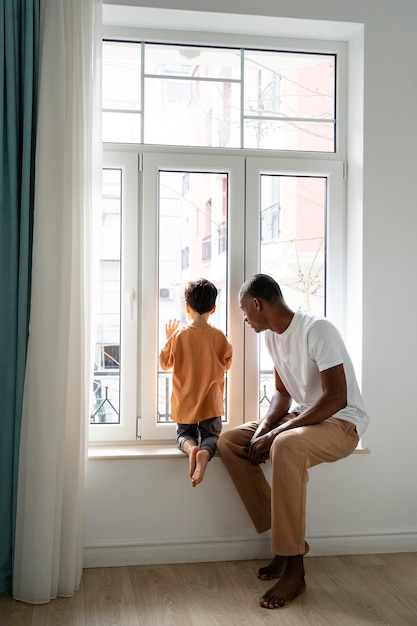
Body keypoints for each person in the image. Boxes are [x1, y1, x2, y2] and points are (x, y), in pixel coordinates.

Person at [217, 274, 369, 609]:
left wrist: (276, 434)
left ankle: (294, 568)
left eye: (244, 310)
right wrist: (265, 427)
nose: (244, 318)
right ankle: (287, 543)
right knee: (229, 442)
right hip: (302, 417)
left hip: (341, 423)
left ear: (258, 304)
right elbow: (282, 394)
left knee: (285, 445)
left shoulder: (318, 330)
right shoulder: (272, 337)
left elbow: (336, 398)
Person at [160, 278, 232, 487]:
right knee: (212, 436)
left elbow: (165, 363)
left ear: (187, 306)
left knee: (184, 434)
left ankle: (192, 449)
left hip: (185, 403)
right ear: (214, 308)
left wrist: (169, 338)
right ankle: (204, 453)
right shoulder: (219, 336)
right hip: (211, 402)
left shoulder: (179, 336)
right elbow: (227, 362)